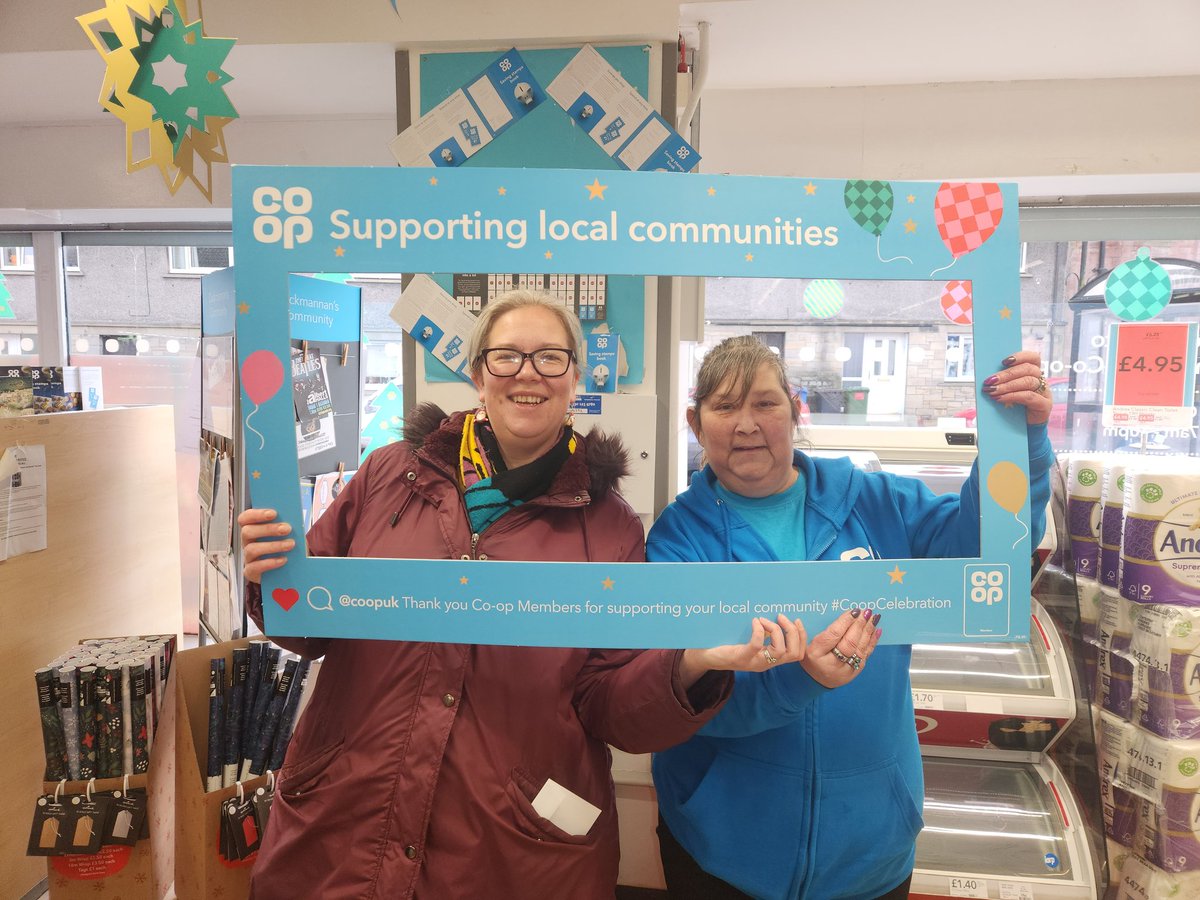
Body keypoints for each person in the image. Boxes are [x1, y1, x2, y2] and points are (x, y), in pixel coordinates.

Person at [238, 292, 817, 900]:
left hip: (510, 846)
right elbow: (310, 627)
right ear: (478, 374)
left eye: (549, 358)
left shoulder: (610, 527)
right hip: (348, 821)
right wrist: (270, 573)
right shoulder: (389, 474)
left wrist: (693, 663)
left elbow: (609, 704)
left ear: (574, 378)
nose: (528, 374)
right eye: (507, 356)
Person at [648, 335, 1055, 900]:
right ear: (696, 423)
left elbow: (989, 554)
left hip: (871, 848)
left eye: (765, 403)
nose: (746, 424)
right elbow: (684, 704)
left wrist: (1018, 440)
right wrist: (802, 680)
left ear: (795, 411)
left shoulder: (878, 502)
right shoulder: (677, 540)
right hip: (723, 851)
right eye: (725, 406)